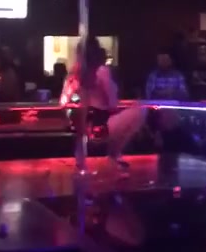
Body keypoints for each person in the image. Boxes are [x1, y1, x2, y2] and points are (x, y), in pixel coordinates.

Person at [61, 36, 145, 173]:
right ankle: (114, 153)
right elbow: (112, 103)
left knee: (82, 119)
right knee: (141, 109)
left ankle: (83, 156)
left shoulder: (73, 74)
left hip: (82, 129)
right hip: (101, 127)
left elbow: (63, 102)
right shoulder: (102, 72)